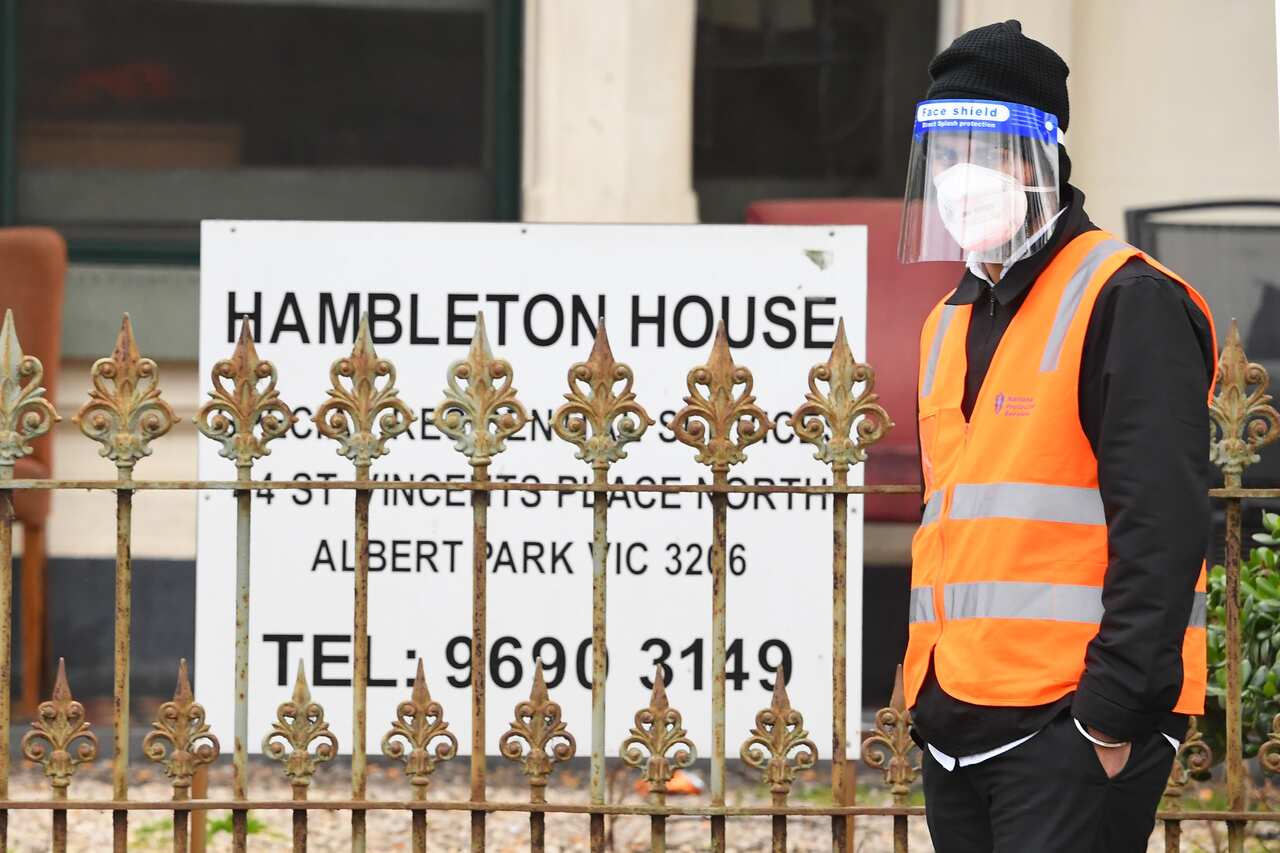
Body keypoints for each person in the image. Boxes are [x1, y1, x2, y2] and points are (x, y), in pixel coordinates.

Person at [896, 20, 1218, 853]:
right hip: (957, 720)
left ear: (1042, 160)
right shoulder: (949, 319)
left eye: (987, 152)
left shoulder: (1127, 298)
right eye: (945, 154)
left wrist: (1109, 719)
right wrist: (927, 703)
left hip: (1071, 725)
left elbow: (1164, 527)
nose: (961, 177)